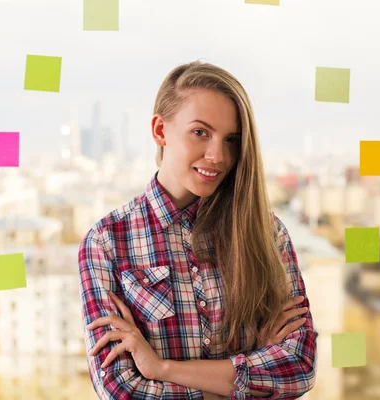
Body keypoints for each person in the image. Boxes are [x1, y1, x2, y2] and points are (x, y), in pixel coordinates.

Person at [78, 60, 318, 399]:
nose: (217, 155)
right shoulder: (107, 243)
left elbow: (299, 367)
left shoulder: (267, 233)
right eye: (200, 132)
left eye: (232, 139)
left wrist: (162, 369)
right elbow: (122, 391)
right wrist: (250, 375)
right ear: (160, 131)